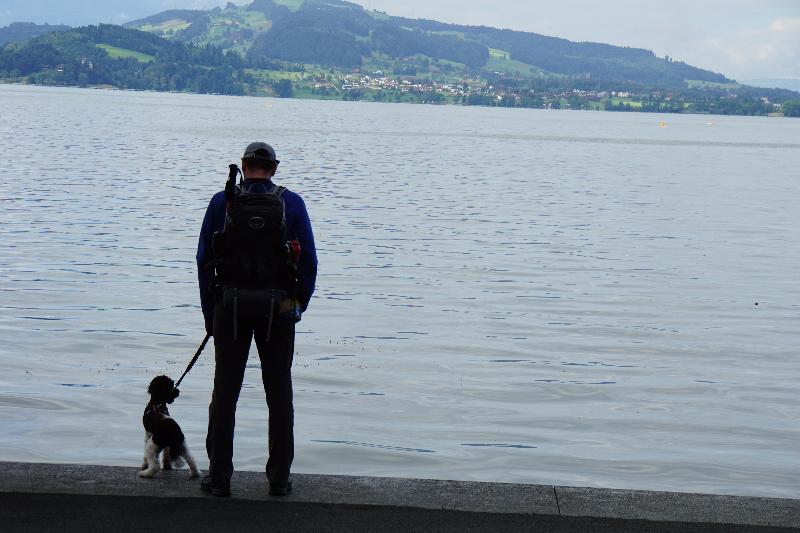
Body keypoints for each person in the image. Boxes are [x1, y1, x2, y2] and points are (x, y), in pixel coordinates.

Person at [196, 142, 317, 497]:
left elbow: (204, 260)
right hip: (278, 309)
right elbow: (309, 262)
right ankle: (279, 479)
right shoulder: (292, 203)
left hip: (229, 307)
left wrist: (209, 313)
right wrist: (297, 305)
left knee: (225, 392)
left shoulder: (222, 202)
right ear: (274, 169)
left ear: (244, 166)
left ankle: (220, 478)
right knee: (279, 393)